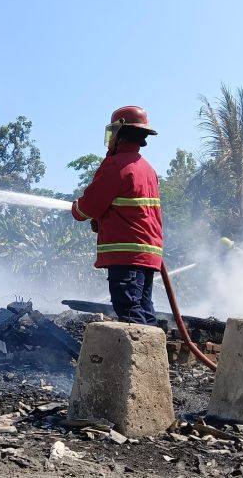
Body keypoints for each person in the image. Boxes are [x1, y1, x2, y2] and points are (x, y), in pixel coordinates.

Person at [71, 106, 162, 325]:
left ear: (119, 133)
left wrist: (77, 208)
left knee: (129, 311)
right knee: (143, 308)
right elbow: (130, 208)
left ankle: (141, 358)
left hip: (127, 254)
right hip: (146, 254)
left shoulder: (117, 165)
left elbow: (89, 207)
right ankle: (155, 356)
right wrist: (103, 219)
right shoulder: (147, 169)